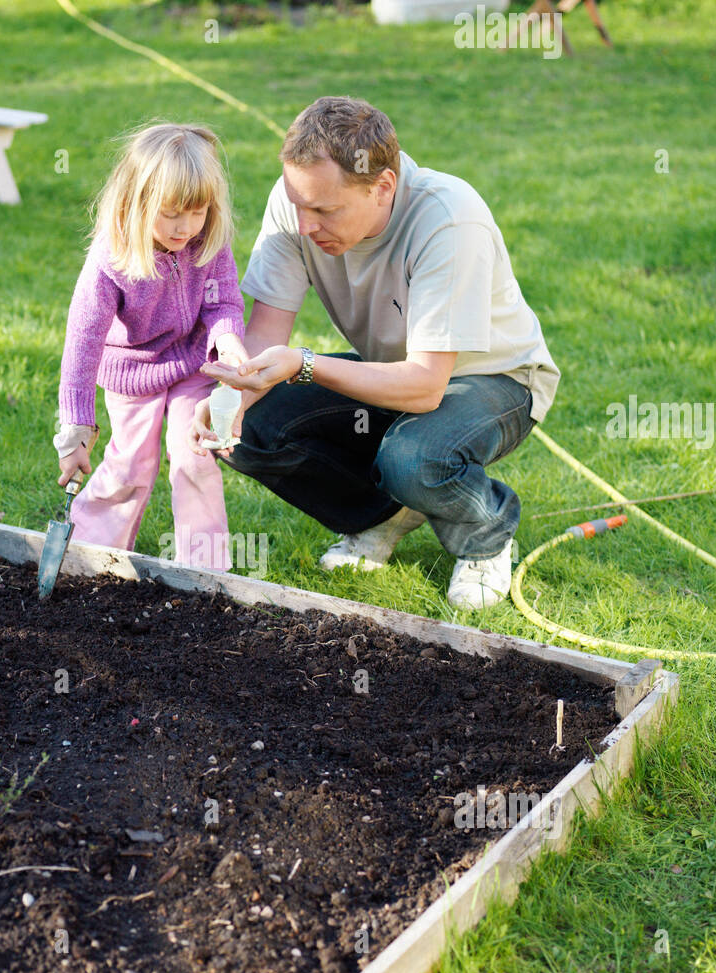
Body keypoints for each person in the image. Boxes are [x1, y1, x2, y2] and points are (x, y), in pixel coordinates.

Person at [189, 95, 560, 608]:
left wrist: (305, 364)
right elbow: (267, 332)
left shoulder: (449, 219)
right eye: (299, 206)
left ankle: (485, 533)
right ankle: (382, 518)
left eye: (324, 210)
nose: (305, 224)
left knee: (413, 457)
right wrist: (229, 401)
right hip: (396, 370)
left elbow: (427, 386)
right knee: (252, 430)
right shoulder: (299, 201)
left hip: (497, 380)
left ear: (382, 185)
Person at [54, 122, 247, 572]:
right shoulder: (111, 259)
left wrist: (229, 341)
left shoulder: (208, 240)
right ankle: (89, 559)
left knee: (195, 457)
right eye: (172, 212)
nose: (186, 227)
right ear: (136, 202)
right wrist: (76, 430)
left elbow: (223, 303)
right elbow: (82, 346)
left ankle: (203, 573)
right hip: (133, 374)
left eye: (198, 211)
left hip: (192, 365)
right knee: (131, 465)